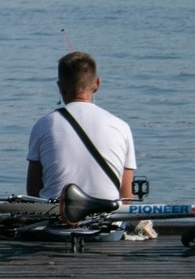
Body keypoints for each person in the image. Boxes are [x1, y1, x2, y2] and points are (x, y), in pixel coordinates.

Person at [27, 51, 136, 203]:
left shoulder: (43, 125)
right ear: (97, 84)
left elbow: (32, 192)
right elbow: (126, 197)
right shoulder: (122, 127)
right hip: (109, 223)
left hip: (55, 221)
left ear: (60, 86)